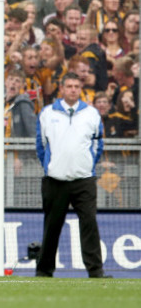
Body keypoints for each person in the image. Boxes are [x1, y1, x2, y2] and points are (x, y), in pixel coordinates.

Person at [35, 72, 110, 278]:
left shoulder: (92, 114)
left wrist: (86, 166)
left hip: (84, 180)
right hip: (55, 180)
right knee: (52, 226)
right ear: (62, 88)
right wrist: (51, 167)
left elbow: (97, 144)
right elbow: (41, 146)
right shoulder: (47, 113)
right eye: (69, 86)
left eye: (76, 86)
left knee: (89, 224)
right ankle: (44, 271)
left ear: (81, 88)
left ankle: (96, 271)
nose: (73, 89)